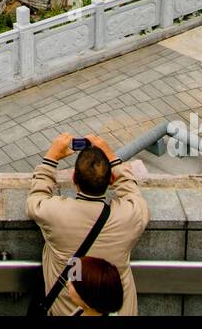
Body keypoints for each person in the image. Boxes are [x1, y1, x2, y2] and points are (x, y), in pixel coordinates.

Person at [27, 132, 148, 316]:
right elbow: (131, 190)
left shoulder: (56, 214)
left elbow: (35, 198)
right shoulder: (131, 215)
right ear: (111, 180)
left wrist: (51, 157)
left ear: (74, 179)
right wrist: (111, 156)